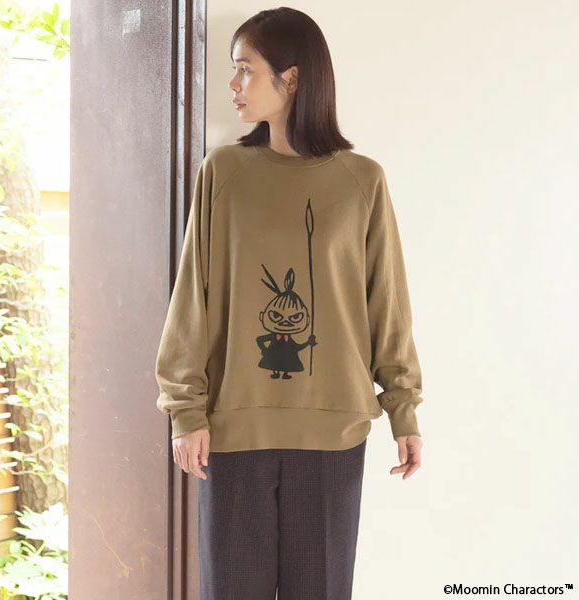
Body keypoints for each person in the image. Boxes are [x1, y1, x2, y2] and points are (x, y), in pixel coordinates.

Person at [155, 7, 424, 600]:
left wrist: (403, 407)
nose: (233, 85)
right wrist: (185, 410)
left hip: (333, 434)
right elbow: (192, 296)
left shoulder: (362, 180)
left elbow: (387, 301)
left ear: (293, 78)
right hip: (233, 432)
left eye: (245, 69)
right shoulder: (224, 172)